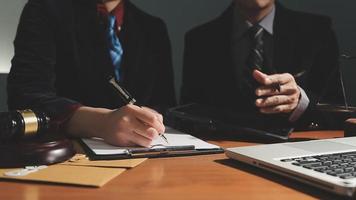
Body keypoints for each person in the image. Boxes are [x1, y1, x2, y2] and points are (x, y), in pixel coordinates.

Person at [7, 0, 176, 147]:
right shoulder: (45, 9)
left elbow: (167, 103)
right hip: (69, 154)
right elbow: (24, 97)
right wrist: (101, 123)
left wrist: (151, 116)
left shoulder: (153, 28)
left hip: (144, 154)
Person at [181, 0, 344, 129]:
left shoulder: (317, 32)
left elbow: (339, 112)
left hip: (296, 151)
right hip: (219, 157)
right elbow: (186, 115)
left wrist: (300, 102)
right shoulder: (199, 40)